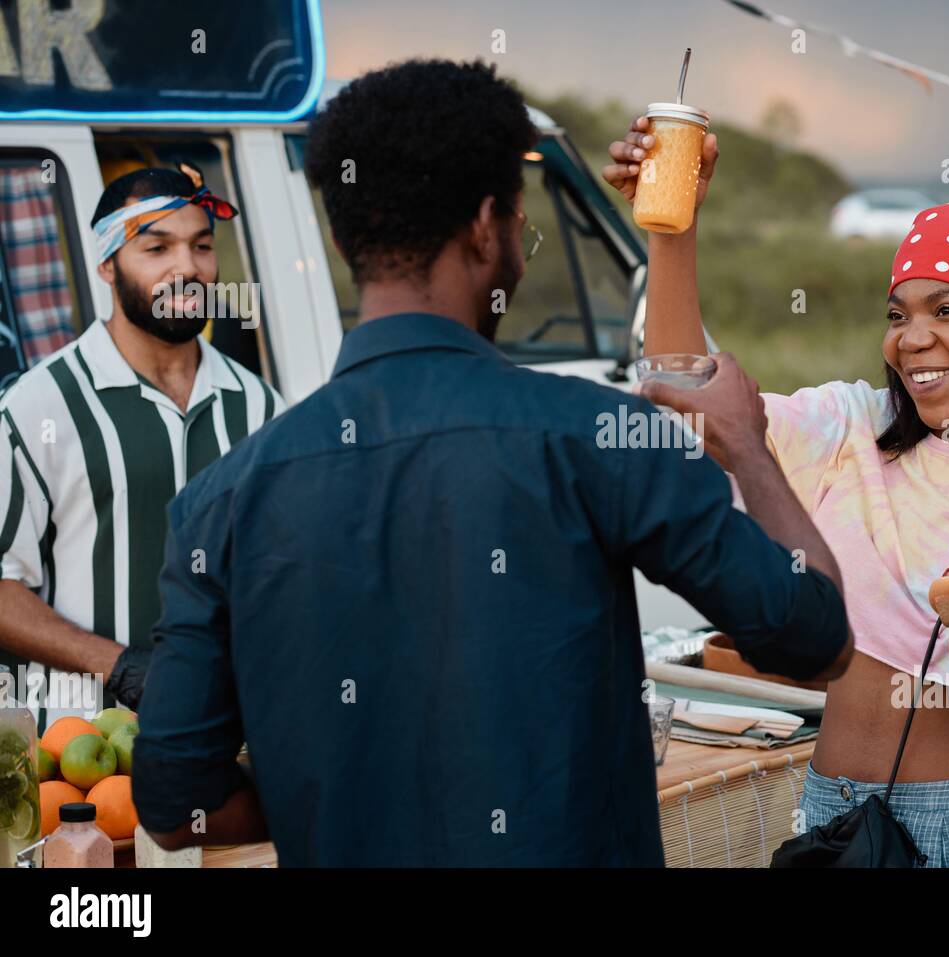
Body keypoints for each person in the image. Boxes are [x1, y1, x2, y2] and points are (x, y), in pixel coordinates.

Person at [131, 59, 852, 867]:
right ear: (486, 227)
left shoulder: (221, 499)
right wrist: (747, 448)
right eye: (519, 220)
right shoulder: (597, 436)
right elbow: (813, 637)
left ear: (341, 238)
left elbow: (174, 802)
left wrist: (346, 798)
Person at [604, 117, 949, 866]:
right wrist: (674, 223)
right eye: (898, 315)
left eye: (947, 310)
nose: (912, 338)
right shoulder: (852, 431)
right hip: (831, 825)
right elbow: (688, 397)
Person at [0, 167, 283, 730]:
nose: (188, 268)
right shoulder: (37, 406)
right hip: (77, 761)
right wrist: (123, 668)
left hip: (226, 749)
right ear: (107, 264)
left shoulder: (261, 408)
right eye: (157, 247)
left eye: (202, 246)